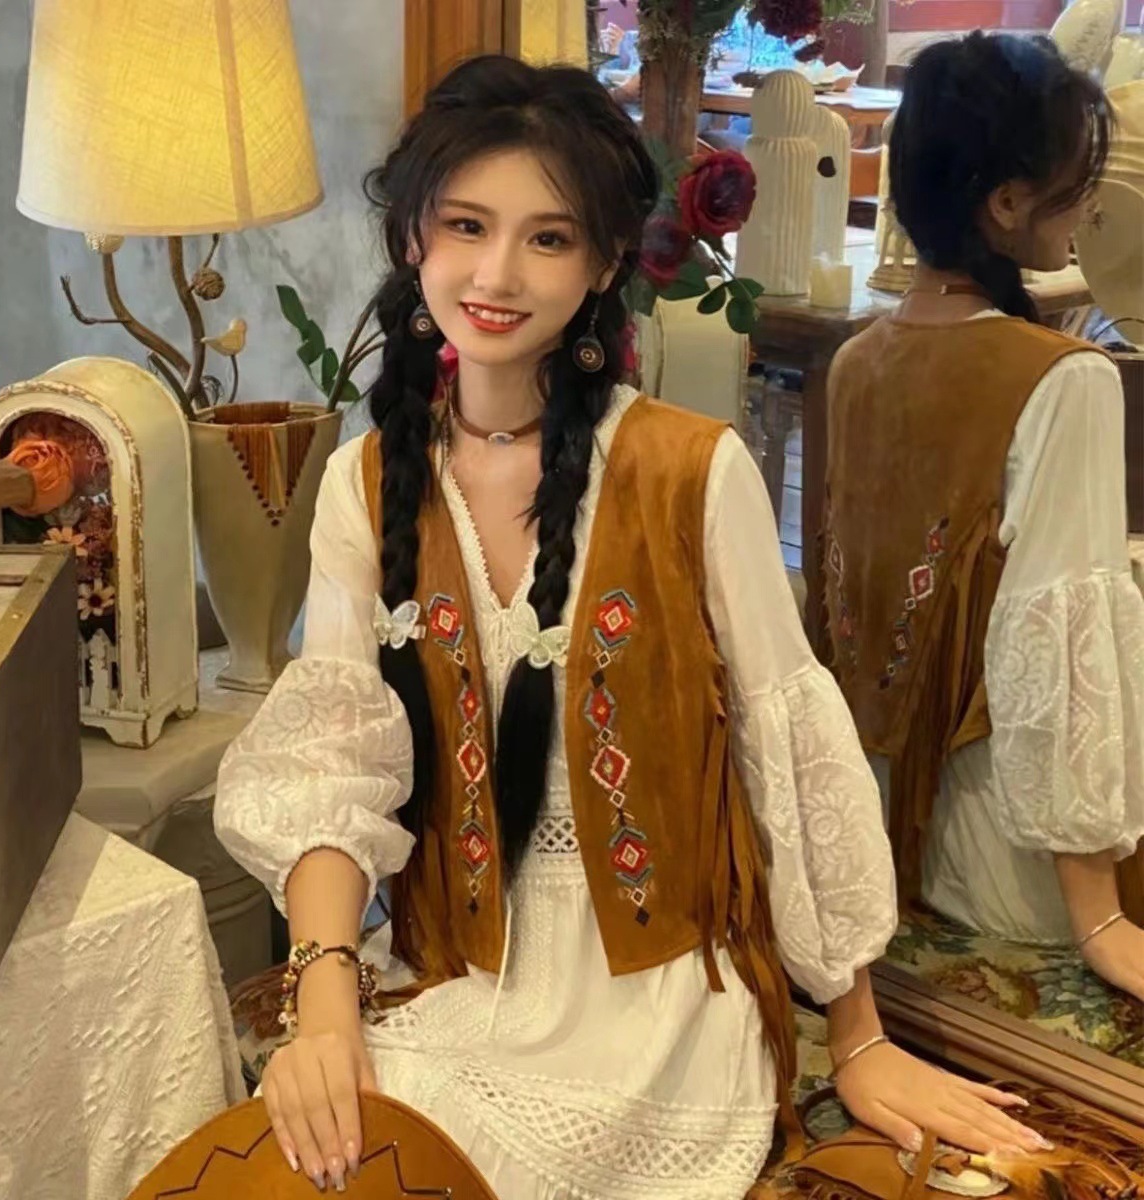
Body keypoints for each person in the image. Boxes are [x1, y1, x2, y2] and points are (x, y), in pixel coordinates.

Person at [215, 55, 1052, 1199]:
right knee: (309, 1158)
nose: (497, 273)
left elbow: (786, 748)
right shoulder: (368, 483)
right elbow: (330, 756)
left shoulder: (692, 471)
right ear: (414, 236)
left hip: (657, 1003)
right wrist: (323, 1008)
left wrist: (856, 1037)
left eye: (549, 238)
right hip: (450, 971)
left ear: (607, 261)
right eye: (466, 225)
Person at [821, 33, 1144, 999]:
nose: (1089, 208)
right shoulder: (1067, 380)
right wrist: (1101, 918)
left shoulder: (856, 360)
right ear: (1006, 202)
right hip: (1013, 859)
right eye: (1075, 185)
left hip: (884, 831)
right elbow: (1060, 642)